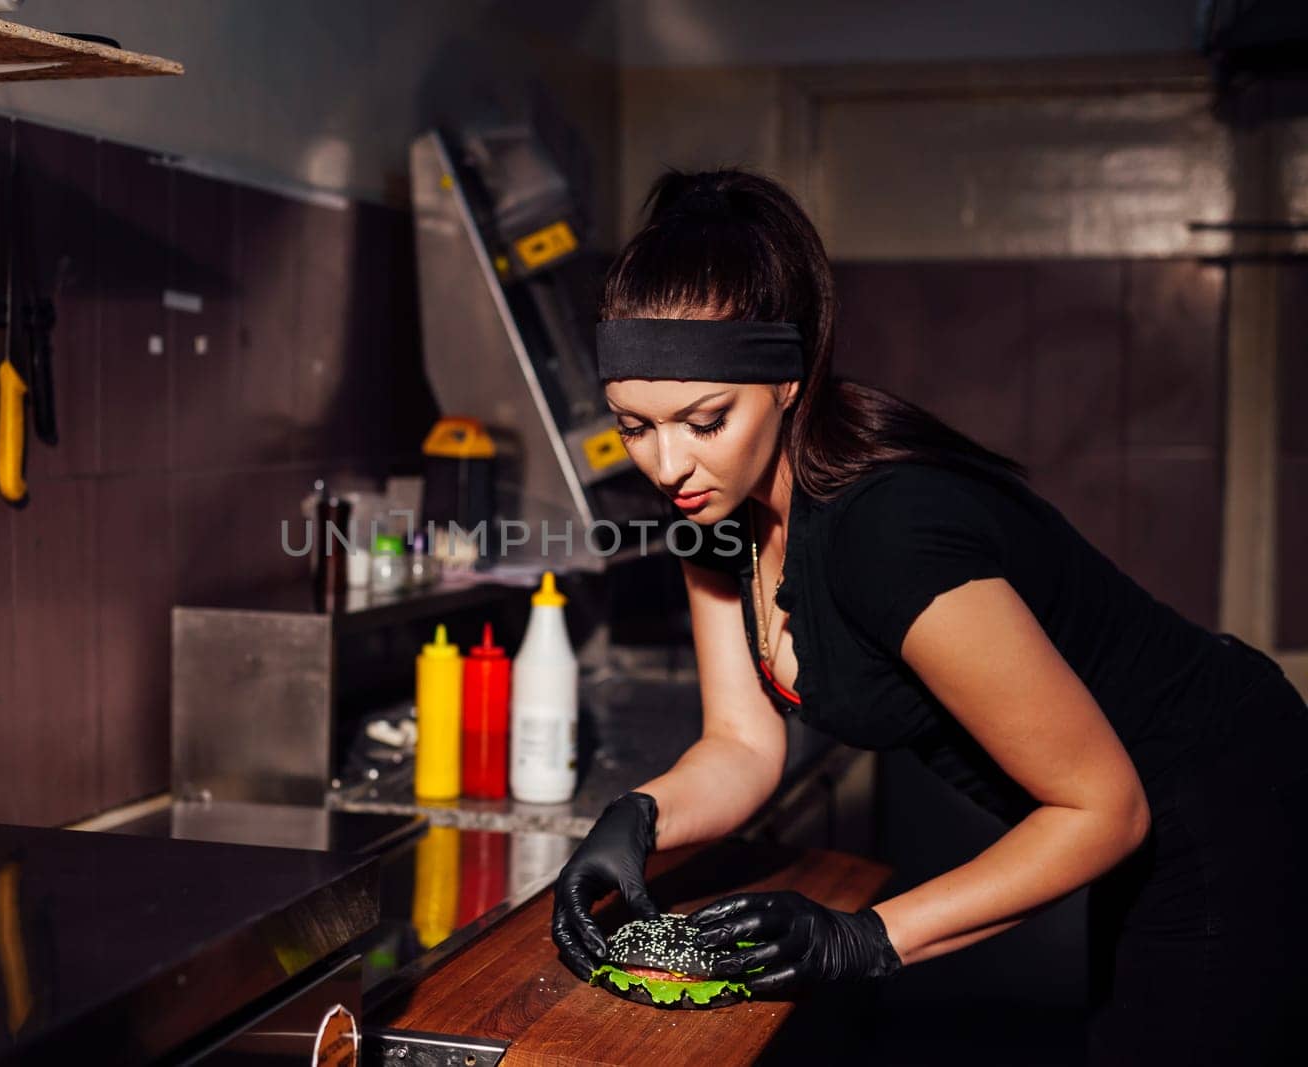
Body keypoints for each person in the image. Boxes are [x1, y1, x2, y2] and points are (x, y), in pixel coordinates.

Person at [549, 168, 1308, 1065]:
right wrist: (637, 819)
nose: (667, 464)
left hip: (1225, 796)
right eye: (635, 426)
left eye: (703, 419)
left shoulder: (888, 532)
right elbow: (745, 748)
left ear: (787, 380)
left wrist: (859, 938)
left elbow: (1104, 808)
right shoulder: (718, 517)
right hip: (1122, 806)